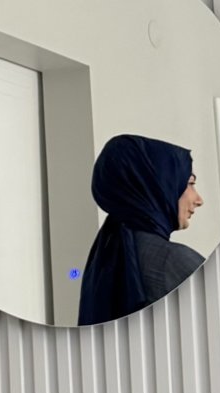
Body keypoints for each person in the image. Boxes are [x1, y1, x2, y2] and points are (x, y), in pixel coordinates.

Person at [77, 133, 205, 326]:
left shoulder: (101, 264)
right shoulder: (174, 262)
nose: (199, 200)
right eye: (190, 184)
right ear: (158, 184)